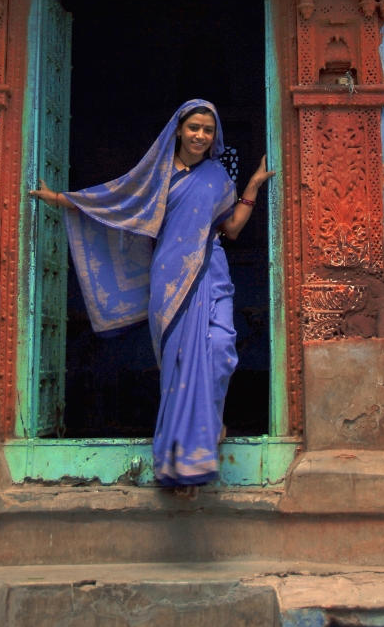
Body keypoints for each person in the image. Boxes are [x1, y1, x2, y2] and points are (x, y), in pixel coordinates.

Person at [29, 99, 275, 489]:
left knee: (221, 348)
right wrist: (63, 199)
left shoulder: (216, 177)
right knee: (178, 363)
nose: (200, 135)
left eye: (208, 130)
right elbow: (118, 204)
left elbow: (230, 229)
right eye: (194, 127)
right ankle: (183, 458)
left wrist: (252, 186)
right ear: (178, 129)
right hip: (169, 277)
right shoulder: (157, 176)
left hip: (212, 272)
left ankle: (209, 422)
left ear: (215, 137)